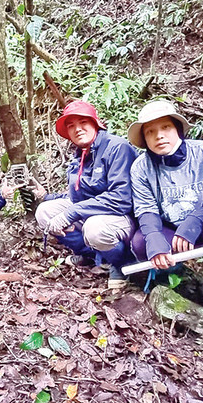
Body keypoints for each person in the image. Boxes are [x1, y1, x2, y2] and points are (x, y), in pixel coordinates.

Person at [128, 100, 203, 313]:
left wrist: (195, 220)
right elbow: (145, 209)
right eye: (150, 132)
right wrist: (155, 240)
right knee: (142, 242)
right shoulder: (141, 168)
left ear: (178, 129)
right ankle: (173, 276)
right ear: (144, 139)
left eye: (165, 127)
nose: (159, 136)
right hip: (171, 231)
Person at [33, 101, 137, 288]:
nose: (77, 129)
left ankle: (121, 262)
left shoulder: (116, 148)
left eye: (83, 123)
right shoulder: (80, 154)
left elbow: (122, 198)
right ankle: (91, 255)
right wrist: (47, 196)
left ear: (96, 123)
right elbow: (76, 197)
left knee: (94, 228)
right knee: (44, 212)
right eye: (71, 126)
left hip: (123, 217)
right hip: (91, 212)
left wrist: (71, 214)